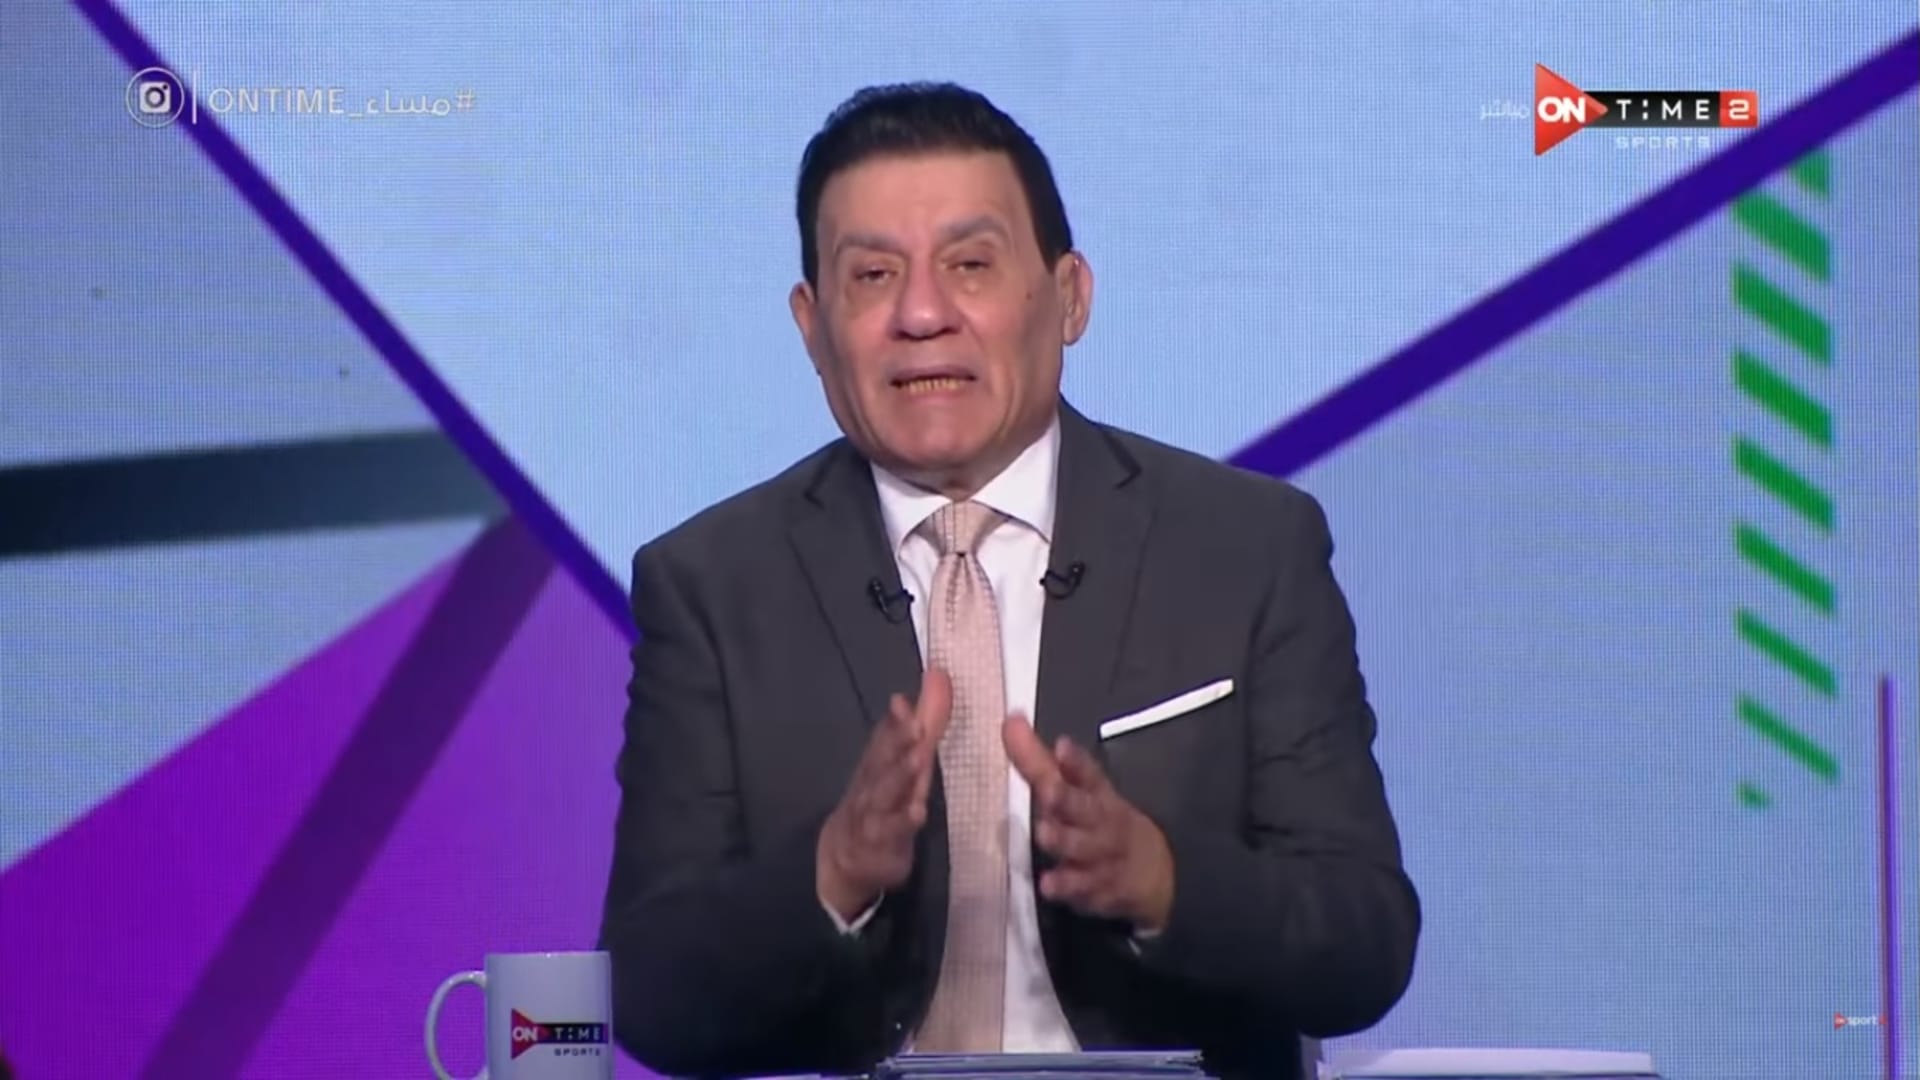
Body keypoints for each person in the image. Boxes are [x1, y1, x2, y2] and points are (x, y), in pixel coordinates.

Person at [598, 82, 1419, 1080]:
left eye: (970, 265)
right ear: (812, 327)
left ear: (1068, 297)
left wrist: (1166, 883)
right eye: (872, 276)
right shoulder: (711, 585)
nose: (922, 315)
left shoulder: (1245, 547)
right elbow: (648, 994)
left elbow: (1366, 942)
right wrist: (830, 873)